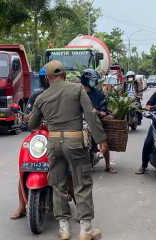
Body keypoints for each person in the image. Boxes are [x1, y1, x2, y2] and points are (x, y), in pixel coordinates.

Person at [29, 60, 107, 240]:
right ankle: (86, 230)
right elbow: (90, 114)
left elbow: (32, 124)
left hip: (54, 144)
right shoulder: (77, 89)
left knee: (58, 184)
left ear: (47, 79)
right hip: (75, 143)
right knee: (82, 183)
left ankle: (64, 228)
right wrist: (101, 139)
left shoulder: (41, 98)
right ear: (64, 75)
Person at [10, 65, 49, 220]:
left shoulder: (61, 95)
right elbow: (26, 117)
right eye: (46, 78)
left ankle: (78, 206)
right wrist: (27, 117)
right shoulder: (36, 97)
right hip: (38, 137)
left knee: (67, 171)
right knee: (25, 167)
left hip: (56, 136)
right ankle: (22, 206)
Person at [81, 69, 117, 173]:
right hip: (80, 122)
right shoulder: (78, 92)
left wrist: (96, 112)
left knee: (103, 141)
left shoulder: (99, 94)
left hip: (95, 122)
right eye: (92, 80)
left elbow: (103, 112)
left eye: (95, 80)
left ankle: (108, 165)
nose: (94, 82)